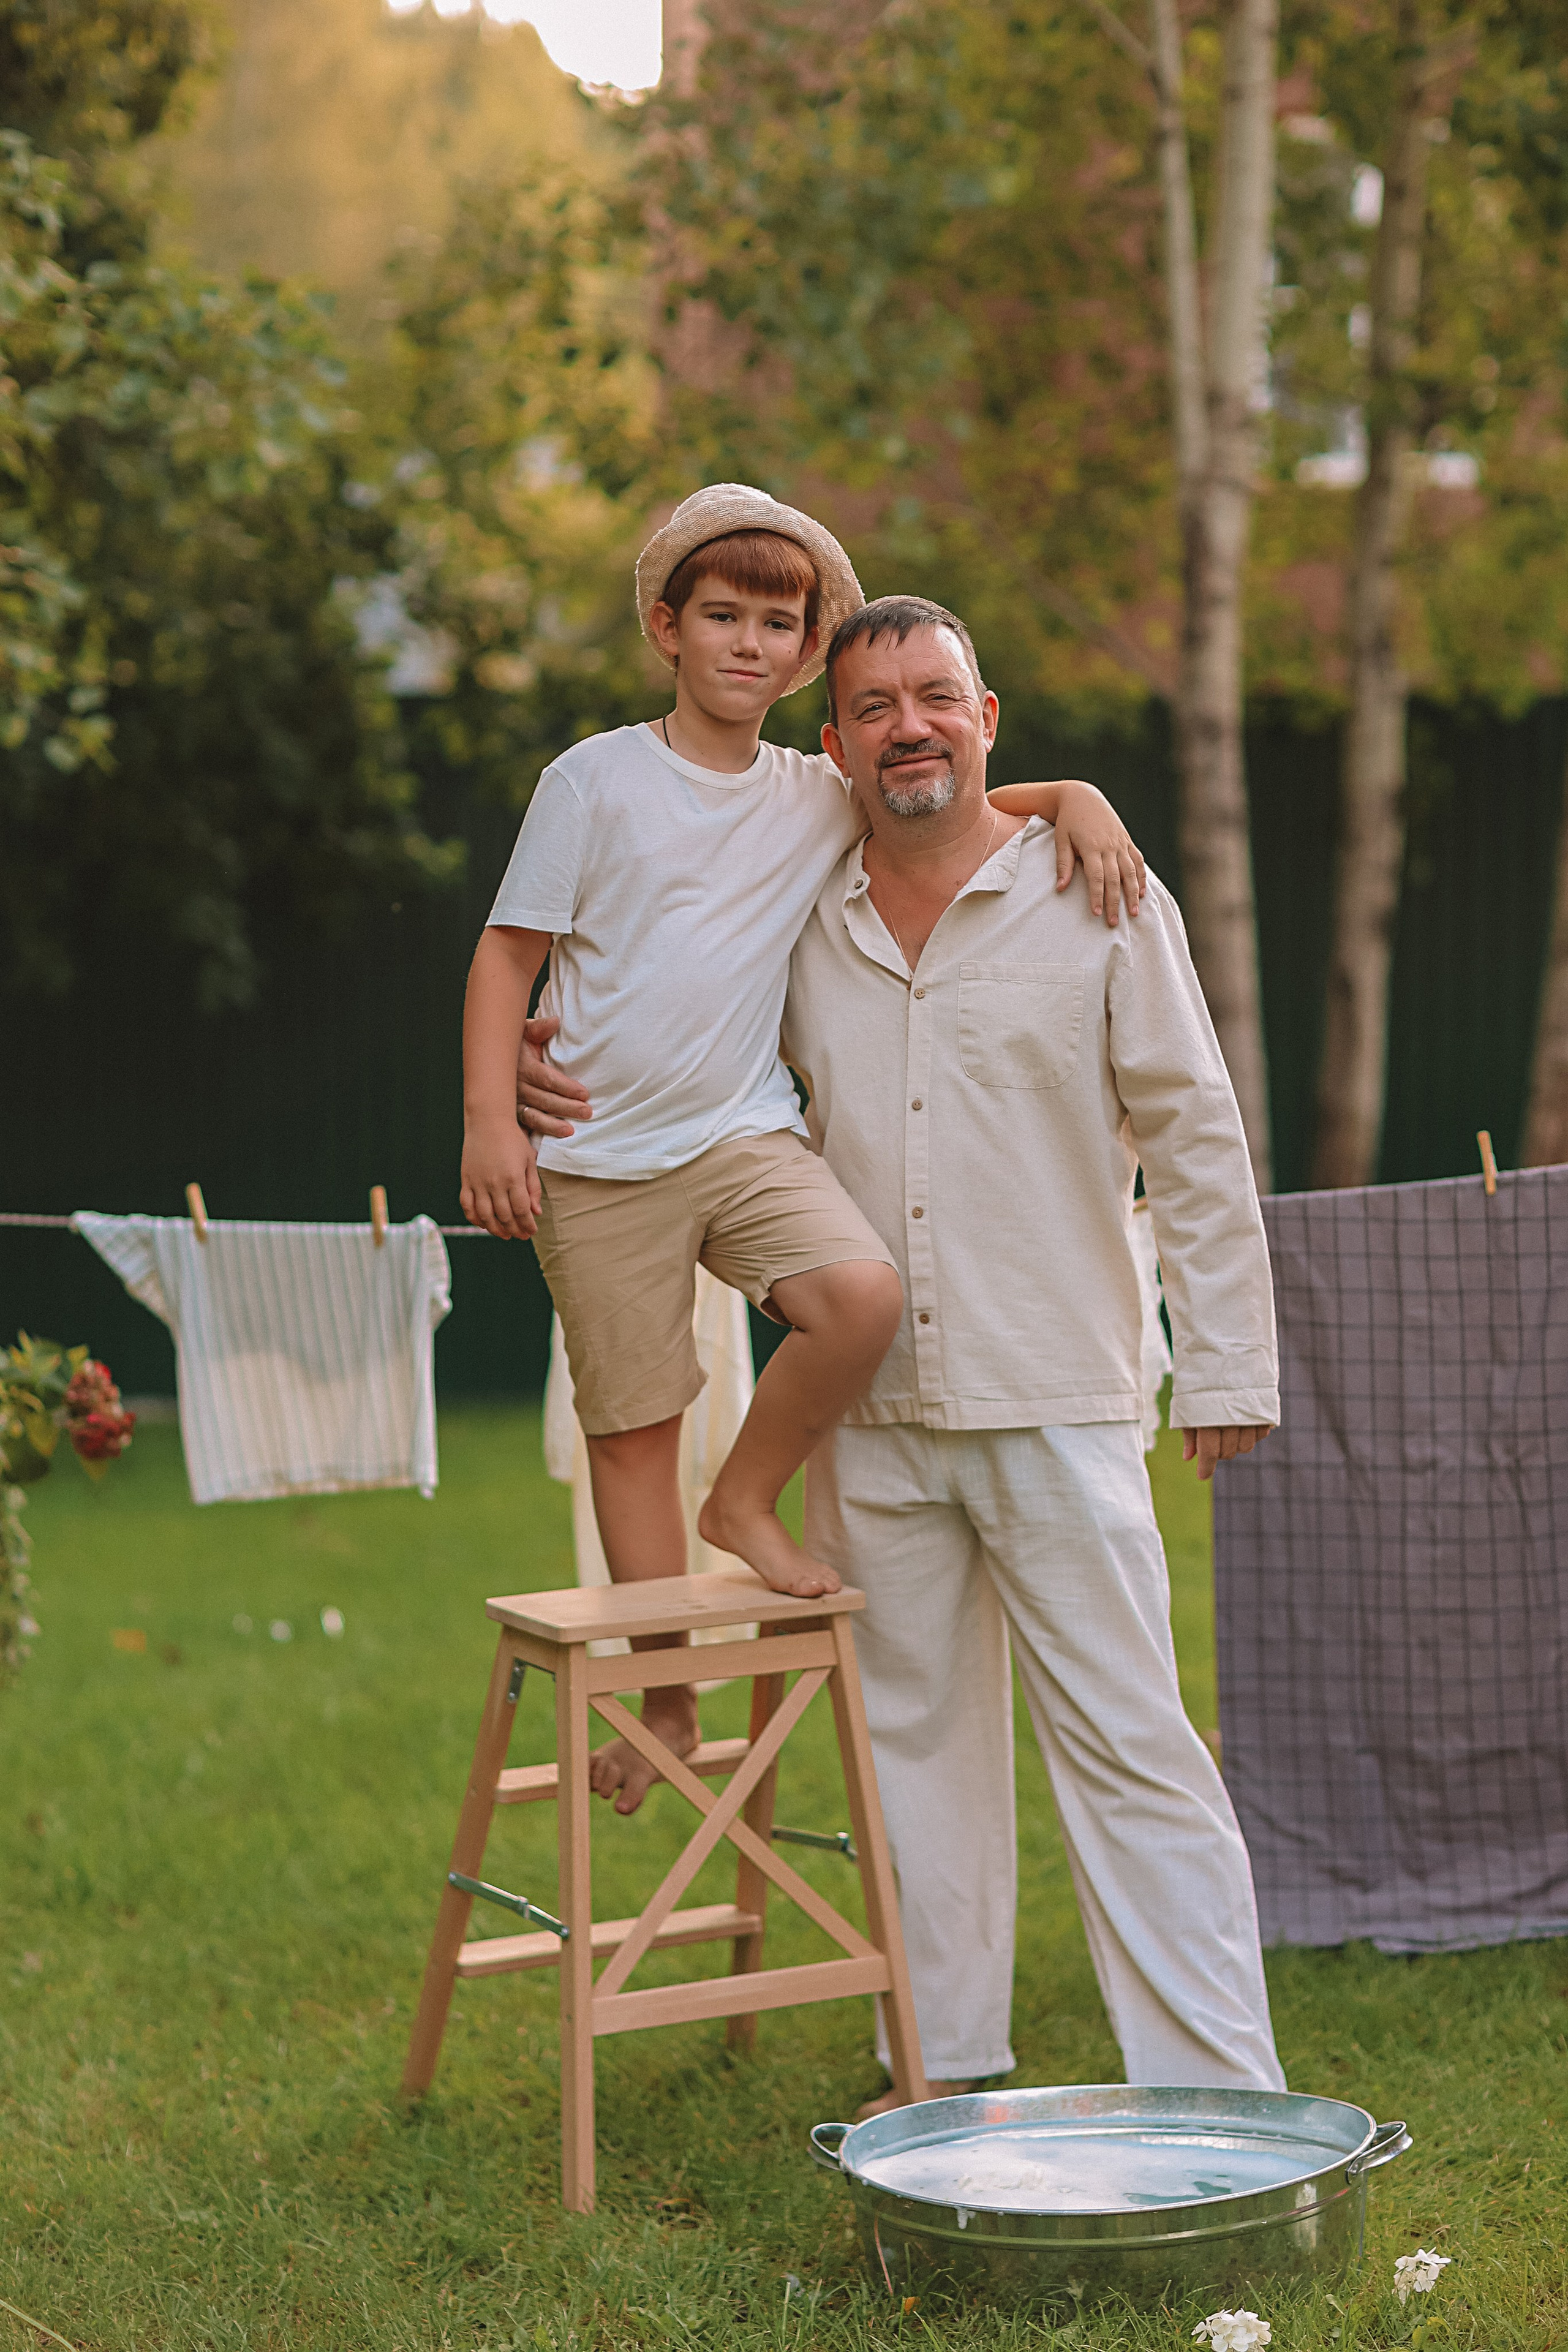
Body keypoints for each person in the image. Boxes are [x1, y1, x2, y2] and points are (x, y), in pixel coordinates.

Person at [518, 592, 1285, 2103]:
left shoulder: (1099, 891)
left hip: (1056, 1390)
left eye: (936, 696)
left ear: (987, 722)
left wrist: (1229, 1360)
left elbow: (1194, 1137)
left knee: (1133, 1752)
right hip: (864, 1420)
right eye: (873, 708)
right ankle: (941, 2088)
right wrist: (547, 1056)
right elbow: (661, 1012)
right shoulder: (796, 912)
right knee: (913, 1768)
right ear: (834, 745)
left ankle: (1220, 2100)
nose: (908, 727)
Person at [461, 486, 1145, 1815]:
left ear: (803, 651)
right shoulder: (592, 780)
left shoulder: (813, 791)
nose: (749, 645)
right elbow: (506, 952)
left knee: (860, 1297)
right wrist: (494, 1116)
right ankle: (664, 1696)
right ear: (667, 628)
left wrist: (1079, 798)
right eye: (721, 616)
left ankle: (749, 1501)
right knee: (634, 1430)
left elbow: (949, 796)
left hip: (740, 1137)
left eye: (780, 623)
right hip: (597, 1161)